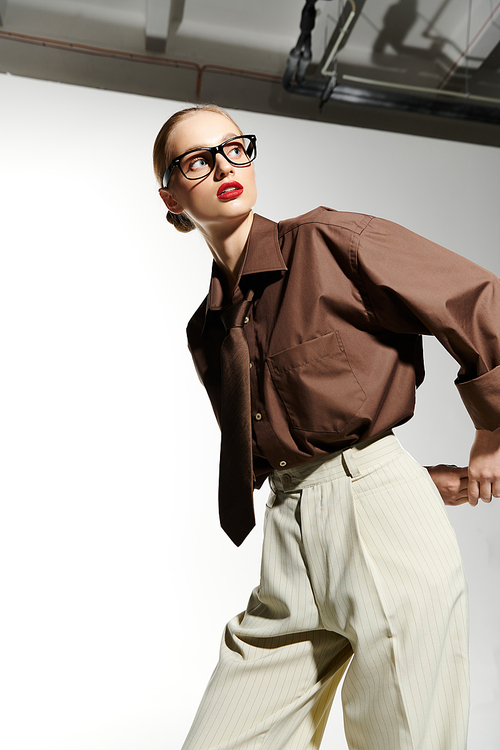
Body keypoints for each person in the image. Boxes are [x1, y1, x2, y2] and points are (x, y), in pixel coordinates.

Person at [153, 104, 500, 750]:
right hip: (289, 543)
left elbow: (479, 302)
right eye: (199, 159)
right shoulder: (207, 332)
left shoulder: (329, 243)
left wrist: (493, 431)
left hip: (384, 522)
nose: (226, 165)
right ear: (171, 195)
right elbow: (295, 434)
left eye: (235, 148)